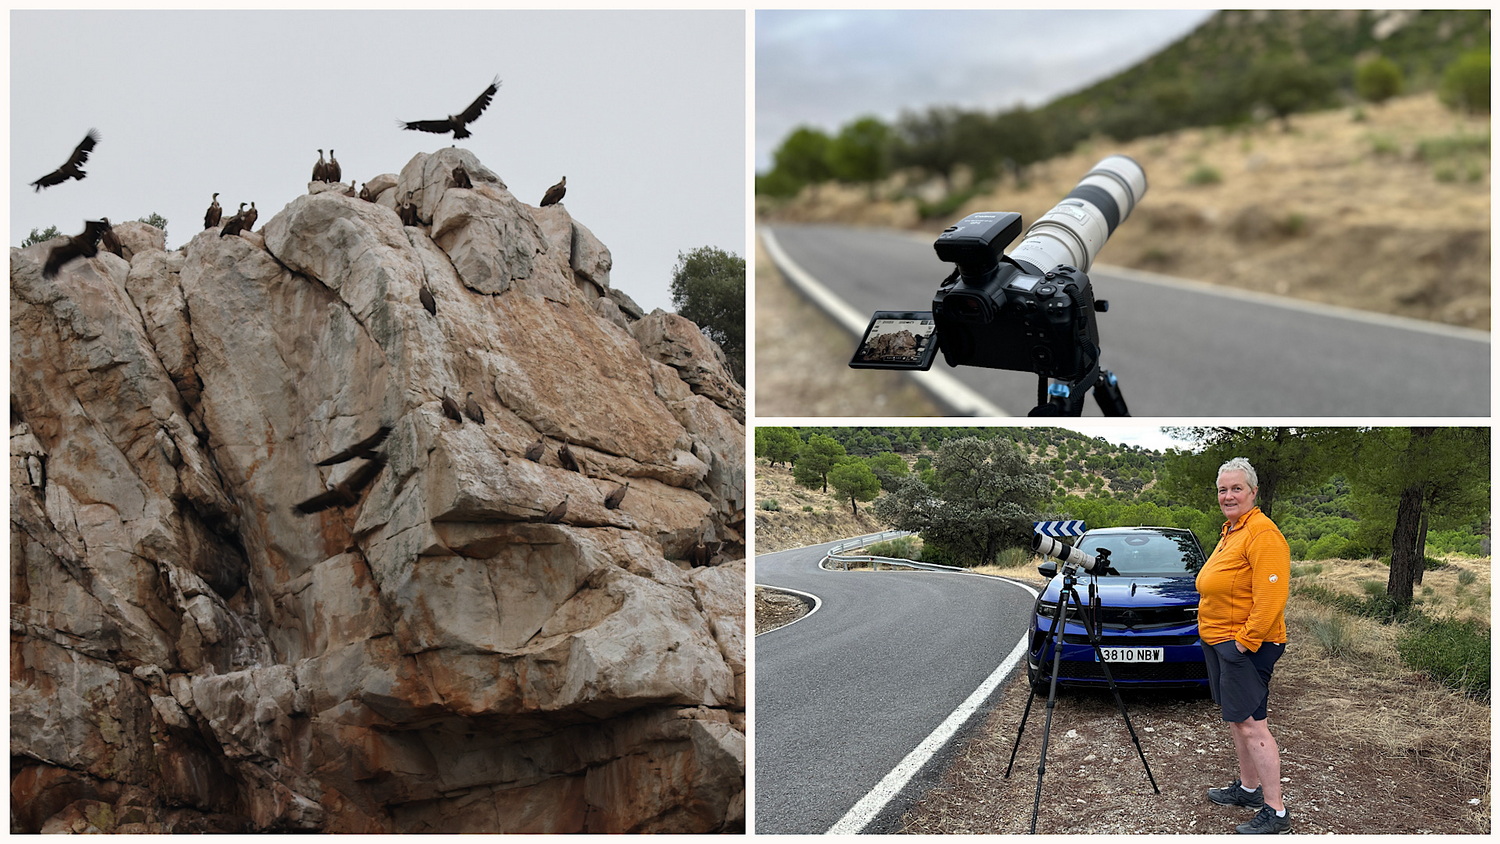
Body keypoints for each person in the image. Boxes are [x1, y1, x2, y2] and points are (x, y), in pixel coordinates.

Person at [1196, 457, 1291, 835]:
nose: (1229, 495)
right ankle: (1250, 789)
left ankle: (1276, 811)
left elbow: (1271, 598)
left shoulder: (1262, 533)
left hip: (1245, 646)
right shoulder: (1233, 530)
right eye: (1223, 489)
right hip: (1221, 640)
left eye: (1237, 488)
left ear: (1254, 492)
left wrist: (1243, 644)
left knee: (1252, 725)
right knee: (1240, 720)